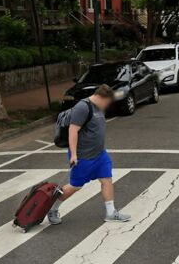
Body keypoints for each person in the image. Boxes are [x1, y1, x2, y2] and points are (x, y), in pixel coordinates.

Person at [48, 84, 130, 224]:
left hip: (99, 155)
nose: (107, 105)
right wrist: (73, 155)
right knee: (75, 186)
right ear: (100, 97)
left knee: (107, 180)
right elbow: (72, 131)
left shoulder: (98, 107)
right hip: (83, 157)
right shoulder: (83, 107)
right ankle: (52, 208)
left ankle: (110, 213)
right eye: (107, 102)